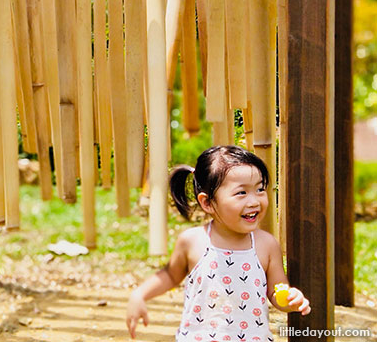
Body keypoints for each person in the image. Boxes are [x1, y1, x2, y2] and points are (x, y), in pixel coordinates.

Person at [126, 145, 311, 341]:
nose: (254, 201)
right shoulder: (193, 241)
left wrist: (290, 299)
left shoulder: (266, 245)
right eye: (241, 193)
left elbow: (276, 291)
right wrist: (140, 294)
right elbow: (170, 275)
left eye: (260, 189)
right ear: (207, 203)